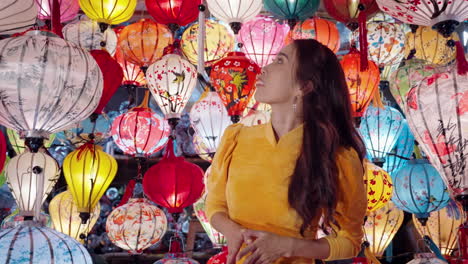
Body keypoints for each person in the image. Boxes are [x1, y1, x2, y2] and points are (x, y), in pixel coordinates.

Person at [205, 39, 367, 264]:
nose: (265, 69)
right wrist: (232, 231)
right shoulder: (236, 137)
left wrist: (288, 246)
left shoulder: (337, 156)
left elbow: (350, 241)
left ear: (304, 87)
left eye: (280, 61)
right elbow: (214, 205)